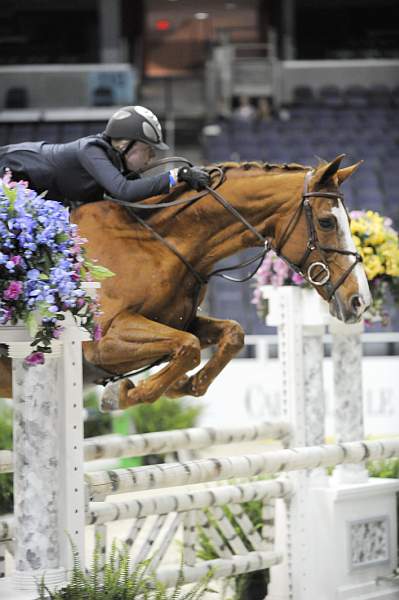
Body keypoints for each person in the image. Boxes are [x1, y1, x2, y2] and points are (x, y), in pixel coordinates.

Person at [0, 105, 211, 207]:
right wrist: (178, 174)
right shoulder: (91, 149)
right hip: (17, 168)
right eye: (149, 150)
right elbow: (125, 192)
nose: (150, 160)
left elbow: (143, 196)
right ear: (126, 145)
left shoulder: (116, 163)